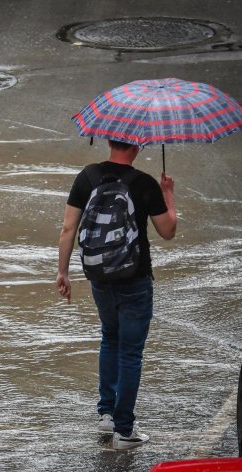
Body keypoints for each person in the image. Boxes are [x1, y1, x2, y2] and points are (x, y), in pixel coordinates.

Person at [56, 140, 177, 450]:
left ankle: (107, 414)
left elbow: (68, 229)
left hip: (100, 277)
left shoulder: (88, 177)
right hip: (135, 279)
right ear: (136, 147)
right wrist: (168, 194)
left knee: (110, 337)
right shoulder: (145, 184)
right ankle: (125, 430)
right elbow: (168, 231)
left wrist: (63, 272)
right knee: (131, 352)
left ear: (109, 140)